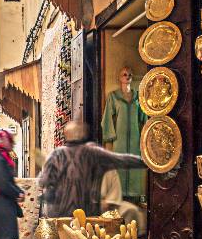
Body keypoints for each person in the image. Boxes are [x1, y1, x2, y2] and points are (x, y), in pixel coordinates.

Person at [39, 121, 147, 218]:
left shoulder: (56, 154)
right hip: (87, 215)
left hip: (60, 214)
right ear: (83, 135)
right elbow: (122, 160)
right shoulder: (93, 152)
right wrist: (146, 162)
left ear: (66, 135)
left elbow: (43, 181)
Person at [101, 66, 148, 200]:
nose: (127, 77)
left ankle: (135, 196)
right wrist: (110, 136)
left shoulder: (138, 97)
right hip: (120, 140)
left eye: (129, 75)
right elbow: (107, 118)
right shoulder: (114, 97)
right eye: (124, 75)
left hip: (135, 138)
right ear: (119, 78)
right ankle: (119, 195)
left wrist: (145, 137)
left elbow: (144, 118)